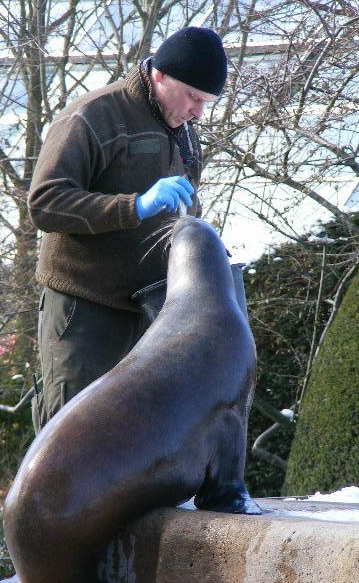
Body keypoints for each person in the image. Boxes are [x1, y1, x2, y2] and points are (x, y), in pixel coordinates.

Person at [28, 27, 228, 432]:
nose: (198, 113)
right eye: (193, 97)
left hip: (151, 315)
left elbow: (187, 204)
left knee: (134, 442)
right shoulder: (91, 116)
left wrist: (201, 245)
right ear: (160, 76)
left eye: (206, 103)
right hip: (84, 310)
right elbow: (45, 203)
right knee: (71, 434)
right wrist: (134, 206)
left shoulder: (186, 132)